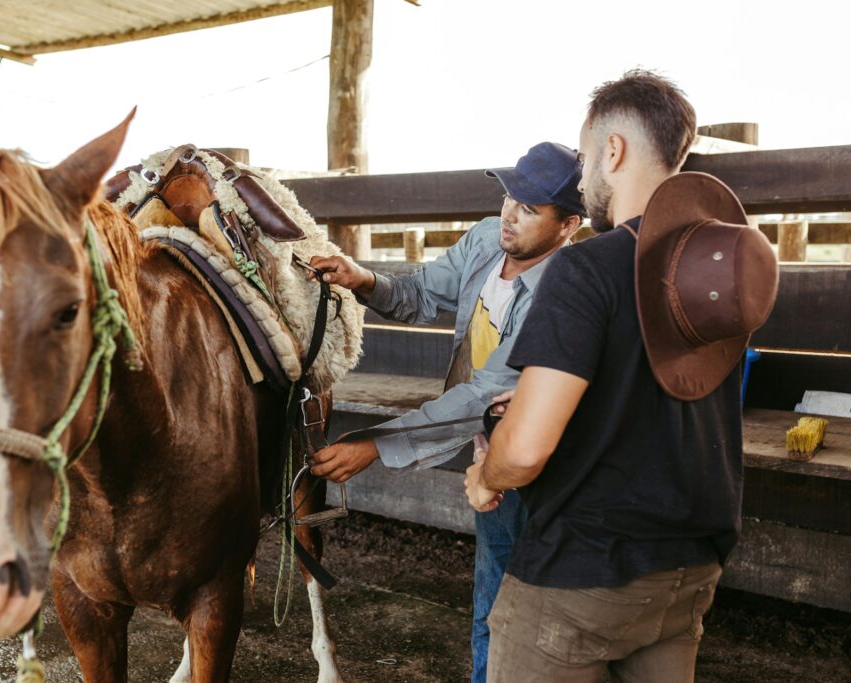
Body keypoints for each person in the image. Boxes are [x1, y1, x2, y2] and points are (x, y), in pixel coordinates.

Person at [465, 69, 778, 682]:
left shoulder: (586, 267)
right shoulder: (714, 262)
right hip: (686, 570)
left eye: (584, 160)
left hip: (582, 572)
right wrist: (539, 396)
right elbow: (657, 382)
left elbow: (524, 452)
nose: (583, 180)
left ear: (613, 151)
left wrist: (485, 475)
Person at [307, 142, 585, 683]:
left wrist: (376, 442)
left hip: (556, 456)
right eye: (508, 196)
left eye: (529, 208)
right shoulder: (487, 238)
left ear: (569, 223)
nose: (509, 213)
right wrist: (360, 279)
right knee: (493, 604)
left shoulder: (564, 286)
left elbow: (487, 390)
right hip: (499, 450)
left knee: (551, 613)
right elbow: (419, 295)